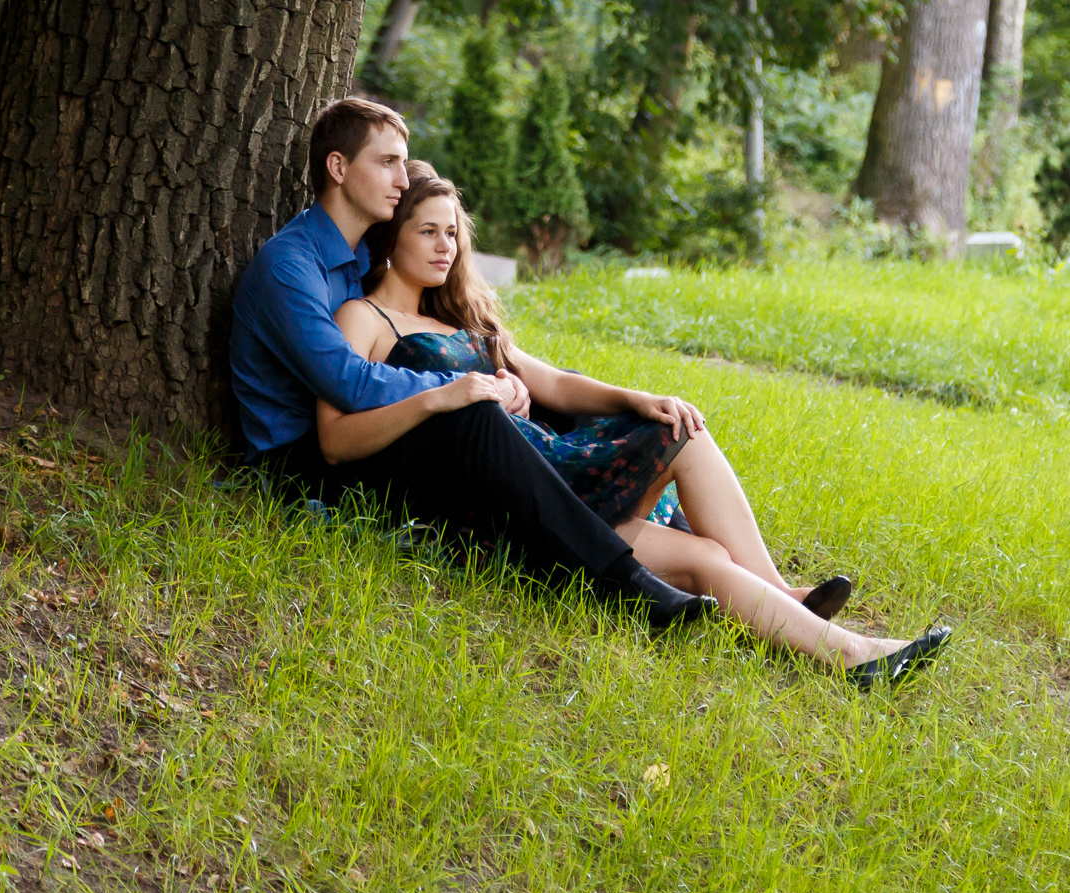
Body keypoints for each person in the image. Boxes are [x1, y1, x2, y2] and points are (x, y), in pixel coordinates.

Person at [324, 170, 952, 689]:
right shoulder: (367, 318)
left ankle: (839, 640)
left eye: (453, 233)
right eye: (427, 231)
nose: (445, 246)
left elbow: (558, 384)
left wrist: (640, 397)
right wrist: (448, 397)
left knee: (686, 463)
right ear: (390, 237)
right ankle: (831, 634)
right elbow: (340, 433)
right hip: (517, 494)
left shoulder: (465, 322)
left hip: (556, 471)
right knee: (688, 480)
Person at [229, 97, 715, 630]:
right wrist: (461, 384)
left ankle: (673, 527)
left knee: (551, 400)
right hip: (303, 464)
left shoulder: (361, 256)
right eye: (387, 162)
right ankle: (625, 582)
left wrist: (495, 378)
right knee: (476, 412)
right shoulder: (290, 267)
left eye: (402, 161)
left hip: (372, 432)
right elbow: (347, 382)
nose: (402, 177)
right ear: (339, 168)